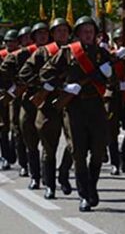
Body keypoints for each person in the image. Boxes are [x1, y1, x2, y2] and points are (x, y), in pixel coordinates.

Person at [39, 16, 116, 212]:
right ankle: (84, 194)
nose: (88, 34)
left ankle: (93, 186)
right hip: (75, 107)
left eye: (91, 31)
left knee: (98, 151)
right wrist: (64, 86)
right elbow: (45, 74)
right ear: (78, 34)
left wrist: (110, 73)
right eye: (84, 31)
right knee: (78, 152)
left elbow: (114, 80)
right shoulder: (67, 53)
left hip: (97, 107)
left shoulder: (103, 54)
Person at [20, 18, 74, 199]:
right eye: (58, 31)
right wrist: (43, 85)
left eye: (65, 31)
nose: (62, 34)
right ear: (53, 34)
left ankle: (64, 173)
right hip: (48, 104)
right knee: (48, 147)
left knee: (75, 144)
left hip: (71, 104)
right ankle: (49, 184)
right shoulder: (43, 53)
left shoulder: (76, 51)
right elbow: (25, 73)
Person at [0, 25, 38, 182]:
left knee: (36, 132)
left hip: (37, 95)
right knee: (18, 130)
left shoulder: (40, 53)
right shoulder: (16, 56)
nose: (27, 40)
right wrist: (11, 88)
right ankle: (24, 163)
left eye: (30, 37)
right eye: (24, 38)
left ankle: (35, 164)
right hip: (17, 96)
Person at [105, 28, 125, 175]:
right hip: (113, 96)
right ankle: (115, 162)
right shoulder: (109, 55)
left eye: (124, 39)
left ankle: (123, 155)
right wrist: (115, 57)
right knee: (112, 131)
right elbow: (104, 70)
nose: (121, 42)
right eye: (118, 40)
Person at [0, 29, 20, 169]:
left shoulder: (21, 55)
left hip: (16, 94)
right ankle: (5, 156)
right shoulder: (1, 56)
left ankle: (13, 153)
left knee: (16, 127)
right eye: (7, 41)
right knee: (2, 128)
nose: (10, 44)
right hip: (2, 95)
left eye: (12, 41)